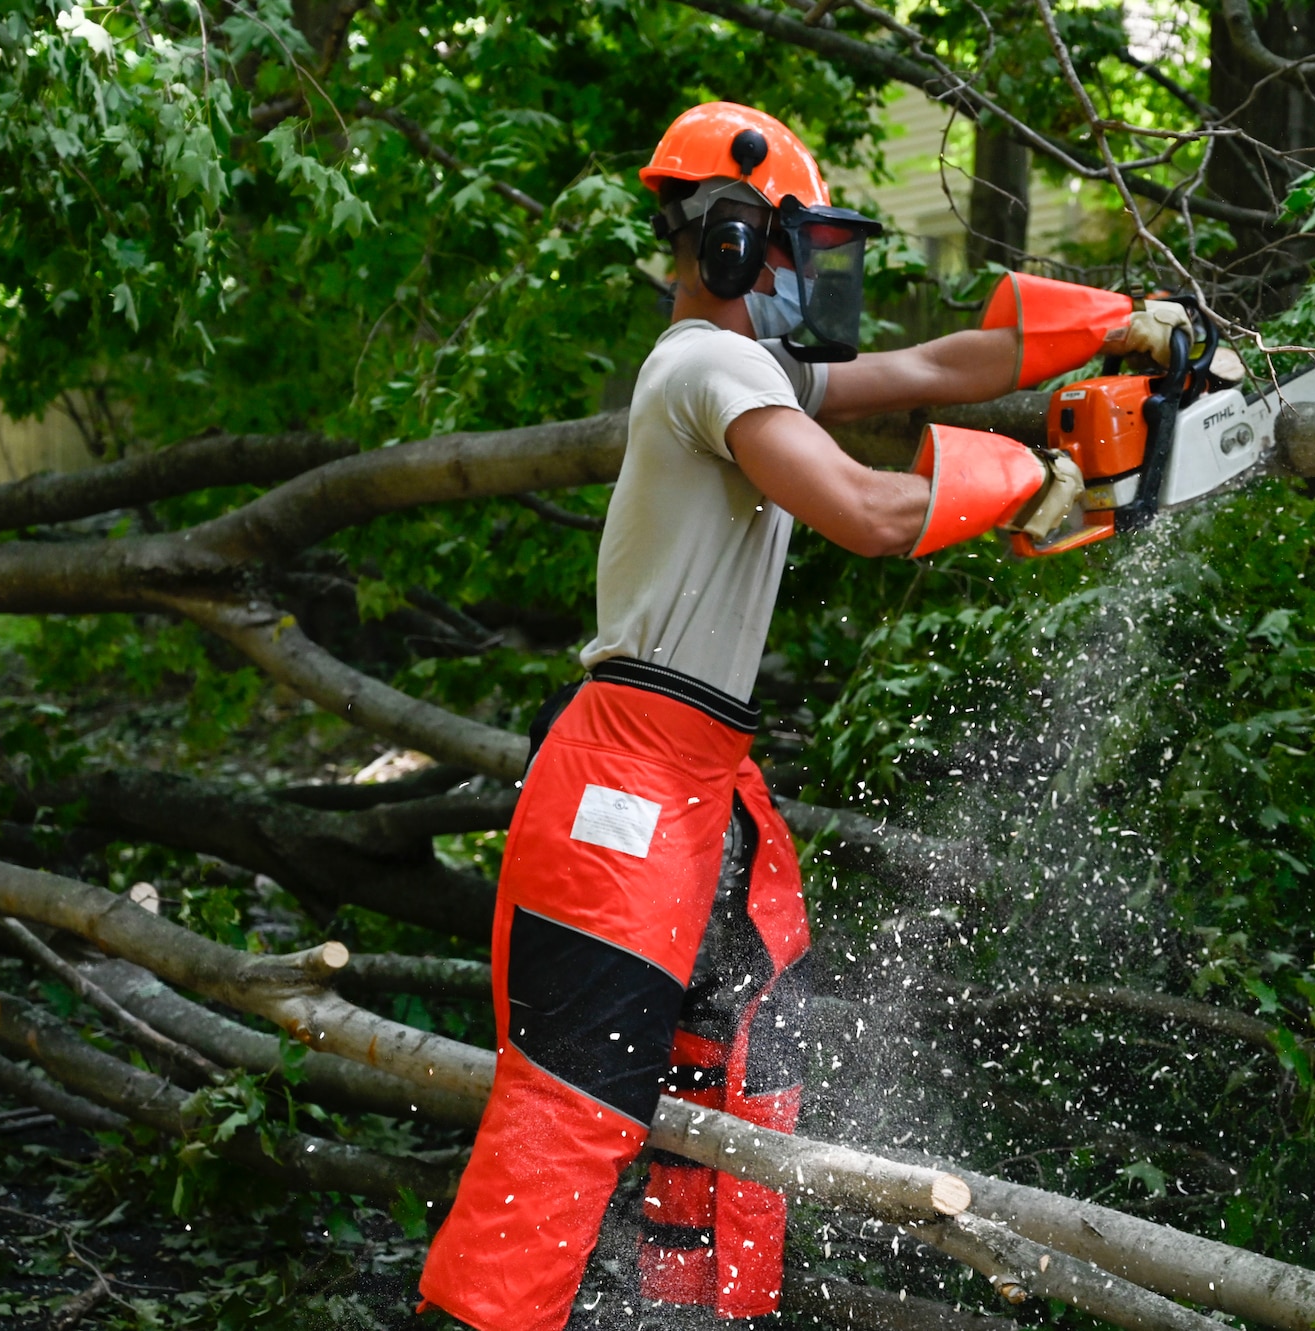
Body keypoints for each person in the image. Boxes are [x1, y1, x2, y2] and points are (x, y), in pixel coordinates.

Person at [417, 101, 1166, 1331]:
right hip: (623, 786)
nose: (806, 275)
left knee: (743, 1057)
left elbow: (931, 369)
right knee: (569, 1107)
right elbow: (868, 513)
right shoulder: (702, 364)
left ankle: (697, 1312)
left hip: (702, 775)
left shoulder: (752, 370)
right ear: (725, 239)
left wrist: (1107, 325)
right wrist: (1032, 476)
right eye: (788, 245)